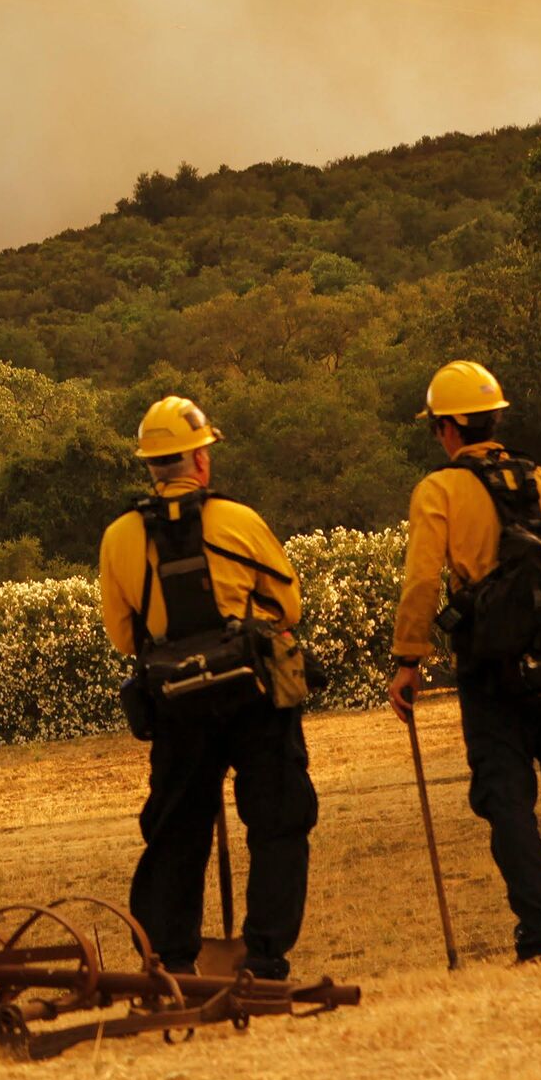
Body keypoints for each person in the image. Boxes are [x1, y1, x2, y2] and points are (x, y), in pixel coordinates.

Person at [387, 360, 541, 962]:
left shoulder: (439, 490)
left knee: (507, 800)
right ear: (496, 419)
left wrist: (407, 661)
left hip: (492, 669)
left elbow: (422, 581)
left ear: (446, 430)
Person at [97, 394, 315, 980]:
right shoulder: (238, 521)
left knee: (175, 830)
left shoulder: (118, 537)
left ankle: (172, 958)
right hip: (254, 700)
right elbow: (287, 606)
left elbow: (124, 637)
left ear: (150, 465)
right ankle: (265, 956)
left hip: (175, 706)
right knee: (278, 820)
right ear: (199, 460)